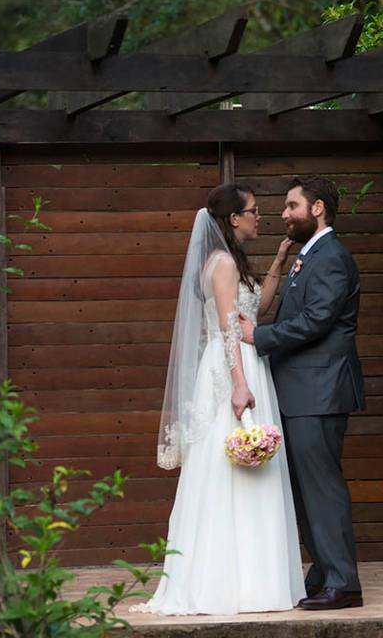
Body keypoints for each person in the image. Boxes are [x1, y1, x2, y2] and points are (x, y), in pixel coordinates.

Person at [134, 183, 305, 615]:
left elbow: (255, 311)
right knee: (229, 467)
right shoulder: (223, 263)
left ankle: (253, 578)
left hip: (244, 362)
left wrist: (279, 263)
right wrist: (239, 383)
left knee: (248, 467)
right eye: (253, 211)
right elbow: (229, 328)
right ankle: (232, 581)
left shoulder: (230, 263)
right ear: (234, 218)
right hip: (234, 369)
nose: (259, 217)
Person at [239, 175, 365, 611]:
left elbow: (315, 322)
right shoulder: (308, 256)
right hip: (302, 392)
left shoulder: (331, 257)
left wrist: (259, 336)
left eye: (291, 205)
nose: (283, 214)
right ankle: (324, 572)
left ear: (317, 210)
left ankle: (343, 583)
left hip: (320, 391)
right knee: (303, 488)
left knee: (321, 487)